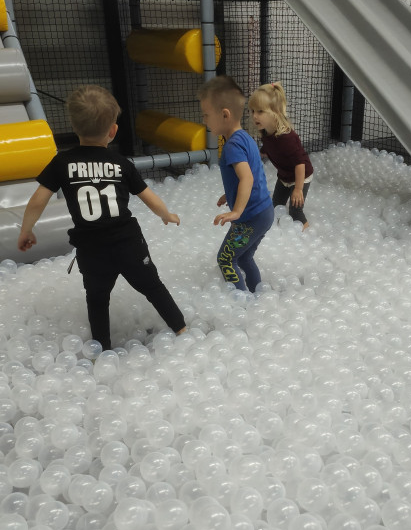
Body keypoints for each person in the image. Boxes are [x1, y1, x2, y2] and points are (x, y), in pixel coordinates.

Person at [17, 85, 186, 350]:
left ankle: (101, 349)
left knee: (97, 299)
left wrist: (26, 230)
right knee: (153, 287)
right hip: (128, 243)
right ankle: (181, 329)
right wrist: (166, 215)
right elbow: (148, 196)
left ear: (74, 127)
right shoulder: (121, 164)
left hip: (91, 248)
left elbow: (38, 199)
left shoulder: (62, 163)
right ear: (113, 130)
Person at [198, 75, 274, 293]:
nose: (204, 120)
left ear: (225, 115)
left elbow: (247, 178)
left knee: (225, 259)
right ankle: (257, 295)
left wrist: (236, 211)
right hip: (263, 212)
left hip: (250, 217)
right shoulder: (245, 138)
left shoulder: (232, 146)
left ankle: (242, 304)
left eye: (206, 115)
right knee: (244, 257)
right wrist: (229, 194)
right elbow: (249, 176)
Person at [248, 82, 313, 230]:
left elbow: (300, 164)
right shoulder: (266, 132)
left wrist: (298, 189)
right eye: (252, 111)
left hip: (301, 176)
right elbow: (268, 149)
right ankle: (279, 231)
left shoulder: (287, 137)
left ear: (275, 112)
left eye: (260, 111)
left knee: (295, 211)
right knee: (276, 206)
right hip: (284, 177)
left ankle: (306, 234)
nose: (255, 116)